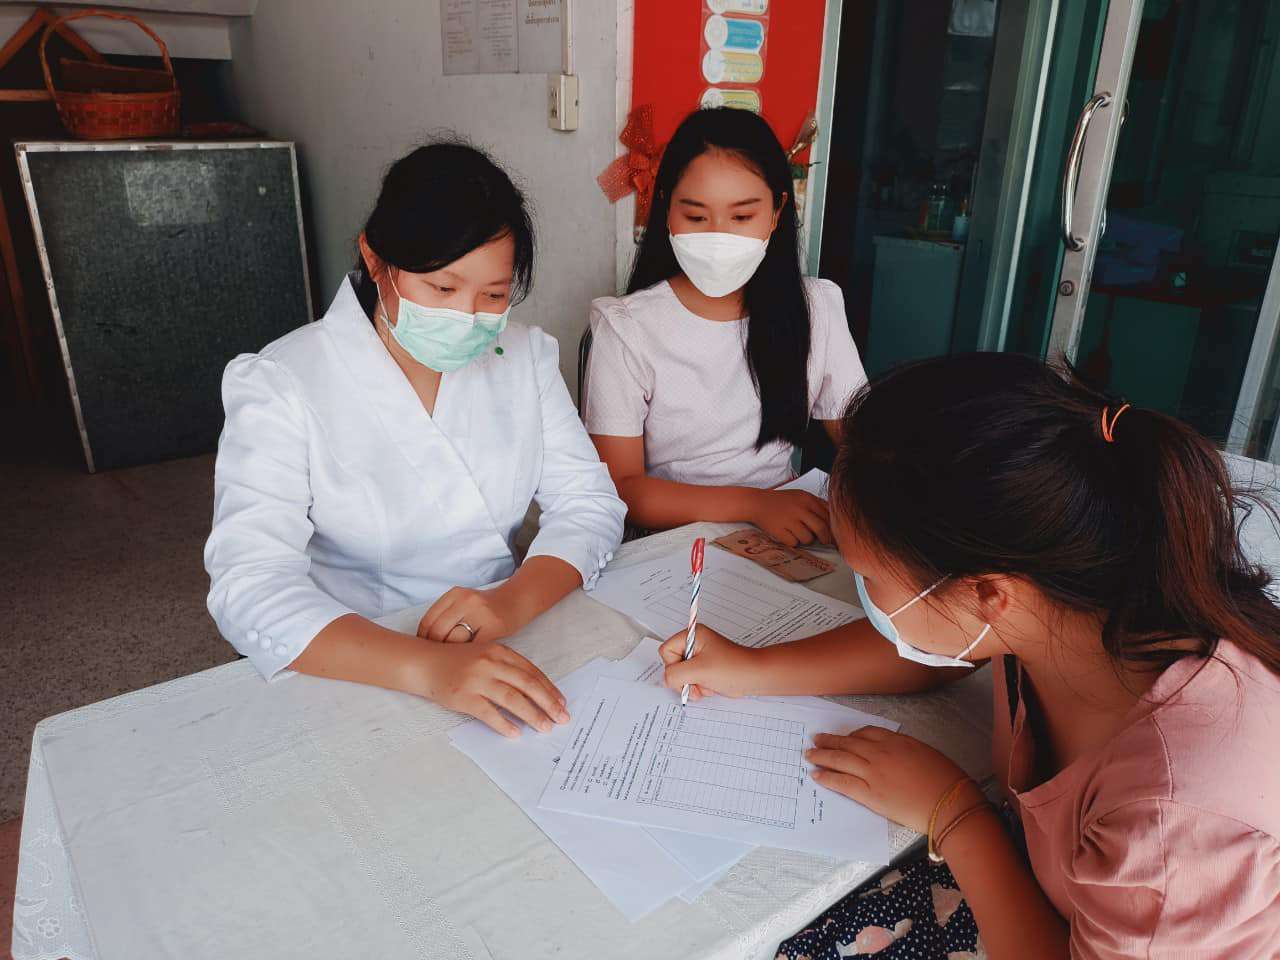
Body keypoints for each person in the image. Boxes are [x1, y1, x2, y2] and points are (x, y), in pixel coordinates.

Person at [661, 353, 1280, 959]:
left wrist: (955, 813)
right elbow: (933, 646)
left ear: (988, 595)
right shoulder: (1072, 599)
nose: (860, 594)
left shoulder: (1178, 825)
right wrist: (751, 668)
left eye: (869, 577)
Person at [205, 142, 626, 738]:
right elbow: (249, 584)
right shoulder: (283, 381)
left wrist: (511, 603)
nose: (467, 317)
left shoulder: (523, 357)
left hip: (502, 636)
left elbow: (590, 504)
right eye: (441, 290)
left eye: (493, 296)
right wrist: (428, 668)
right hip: (353, 656)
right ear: (377, 260)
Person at [584, 108, 867, 546]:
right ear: (666, 210)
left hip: (785, 532)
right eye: (697, 218)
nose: (718, 238)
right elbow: (623, 488)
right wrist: (754, 504)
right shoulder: (626, 328)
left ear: (776, 212)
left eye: (742, 218)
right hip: (672, 543)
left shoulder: (817, 308)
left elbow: (867, 444)